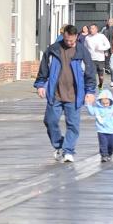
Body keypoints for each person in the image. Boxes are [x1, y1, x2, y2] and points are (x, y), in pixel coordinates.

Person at [34, 24, 96, 163]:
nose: (69, 43)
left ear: (76, 37)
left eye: (72, 41)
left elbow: (90, 72)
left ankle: (68, 151)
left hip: (74, 95)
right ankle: (59, 145)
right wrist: (40, 85)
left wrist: (90, 91)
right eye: (67, 40)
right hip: (55, 93)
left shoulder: (82, 51)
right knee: (50, 121)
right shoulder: (53, 50)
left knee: (73, 125)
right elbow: (44, 68)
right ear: (64, 36)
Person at [87, 87, 113, 162]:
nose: (105, 105)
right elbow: (92, 112)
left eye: (107, 103)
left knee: (112, 145)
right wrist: (89, 105)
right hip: (101, 131)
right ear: (100, 102)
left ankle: (110, 153)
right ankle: (104, 155)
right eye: (103, 103)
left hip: (112, 131)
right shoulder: (97, 108)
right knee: (103, 144)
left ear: (110, 101)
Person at [86, 23, 111, 90]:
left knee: (101, 76)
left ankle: (100, 85)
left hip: (100, 59)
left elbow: (108, 45)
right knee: (92, 75)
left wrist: (101, 48)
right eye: (90, 28)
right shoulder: (87, 38)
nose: (91, 30)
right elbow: (85, 48)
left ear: (96, 29)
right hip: (91, 59)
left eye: (93, 28)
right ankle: (92, 87)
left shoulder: (101, 36)